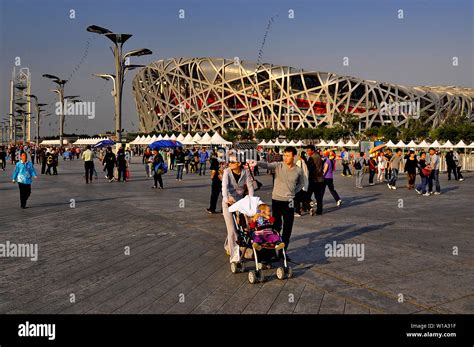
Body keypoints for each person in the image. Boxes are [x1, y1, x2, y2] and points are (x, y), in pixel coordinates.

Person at [255, 147, 304, 256]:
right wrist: (257, 162)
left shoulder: (298, 170)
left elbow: (301, 184)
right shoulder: (279, 165)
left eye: (288, 156)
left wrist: (293, 192)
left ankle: (283, 252)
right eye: (284, 155)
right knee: (276, 225)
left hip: (290, 200)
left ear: (294, 156)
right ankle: (271, 251)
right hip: (277, 200)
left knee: (288, 227)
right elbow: (267, 165)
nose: (285, 158)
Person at [222, 155, 254, 264]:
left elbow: (250, 187)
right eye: (229, 161)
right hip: (228, 203)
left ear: (239, 163)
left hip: (240, 202)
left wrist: (251, 200)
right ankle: (235, 256)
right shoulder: (227, 171)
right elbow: (224, 186)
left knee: (242, 227)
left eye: (232, 162)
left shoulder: (245, 172)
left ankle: (228, 245)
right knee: (232, 230)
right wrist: (226, 199)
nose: (230, 163)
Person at [305, 145, 325, 215]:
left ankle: (309, 207)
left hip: (313, 179)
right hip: (320, 179)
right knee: (318, 197)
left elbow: (309, 168)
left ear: (312, 151)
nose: (307, 152)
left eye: (308, 150)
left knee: (307, 196)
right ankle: (319, 210)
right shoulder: (318, 156)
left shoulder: (312, 158)